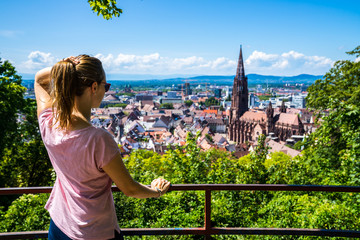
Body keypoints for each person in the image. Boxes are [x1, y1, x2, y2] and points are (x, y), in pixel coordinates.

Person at [34, 55, 171, 240]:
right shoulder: (98, 139)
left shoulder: (49, 123)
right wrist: (157, 191)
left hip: (59, 225)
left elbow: (39, 80)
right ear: (94, 87)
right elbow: (129, 189)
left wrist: (69, 69)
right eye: (106, 87)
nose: (106, 92)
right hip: (94, 231)